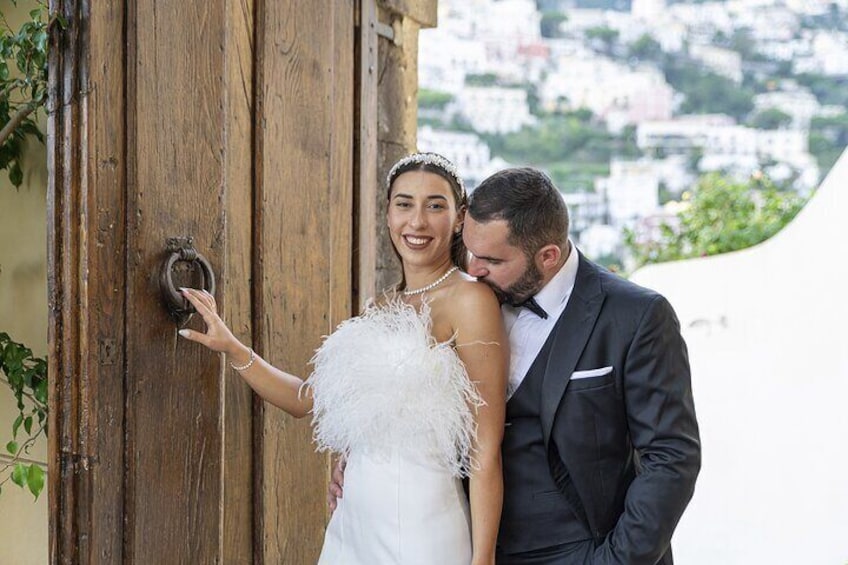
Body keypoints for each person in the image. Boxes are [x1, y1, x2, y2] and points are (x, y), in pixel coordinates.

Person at [330, 167, 700, 564]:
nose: (473, 269)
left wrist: (613, 560)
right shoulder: (462, 304)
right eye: (471, 251)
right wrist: (361, 451)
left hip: (586, 551)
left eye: (490, 259)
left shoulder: (636, 316)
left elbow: (671, 457)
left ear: (548, 256)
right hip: (464, 545)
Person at [178, 153, 508, 565]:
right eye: (404, 204)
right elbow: (306, 400)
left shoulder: (471, 300)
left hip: (425, 528)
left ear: (459, 218)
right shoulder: (383, 304)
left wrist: (484, 558)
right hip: (354, 526)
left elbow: (485, 445)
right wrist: (233, 349)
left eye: (435, 205)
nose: (417, 222)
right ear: (388, 212)